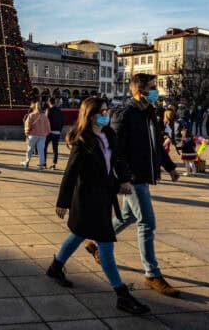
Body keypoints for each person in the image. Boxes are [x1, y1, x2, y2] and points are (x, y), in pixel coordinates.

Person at [49, 97, 150, 315]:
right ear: (90, 115)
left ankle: (55, 267)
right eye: (101, 112)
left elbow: (119, 159)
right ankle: (121, 294)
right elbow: (71, 173)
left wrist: (123, 179)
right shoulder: (82, 141)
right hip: (87, 199)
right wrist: (63, 202)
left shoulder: (109, 134)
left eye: (107, 111)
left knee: (78, 234)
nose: (106, 115)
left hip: (103, 196)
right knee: (105, 244)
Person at [86, 73, 181, 298]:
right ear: (139, 91)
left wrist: (169, 167)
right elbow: (116, 151)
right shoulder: (125, 114)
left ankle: (95, 240)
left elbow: (155, 144)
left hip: (143, 175)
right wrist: (124, 178)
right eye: (152, 87)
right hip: (133, 178)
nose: (156, 91)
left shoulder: (149, 112)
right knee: (147, 223)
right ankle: (152, 273)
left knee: (128, 216)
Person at [22, 101, 50, 169]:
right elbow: (48, 126)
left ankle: (27, 162)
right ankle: (41, 165)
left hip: (33, 135)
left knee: (30, 149)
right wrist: (46, 133)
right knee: (41, 150)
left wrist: (27, 132)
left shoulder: (31, 115)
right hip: (42, 135)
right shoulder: (44, 116)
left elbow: (27, 124)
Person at [45, 97, 64, 169]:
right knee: (55, 149)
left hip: (49, 132)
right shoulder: (59, 110)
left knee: (44, 148)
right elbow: (62, 122)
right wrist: (59, 130)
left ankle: (44, 163)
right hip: (57, 132)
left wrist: (46, 131)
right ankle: (54, 164)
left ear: (49, 102)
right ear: (55, 102)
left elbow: (47, 122)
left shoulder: (48, 110)